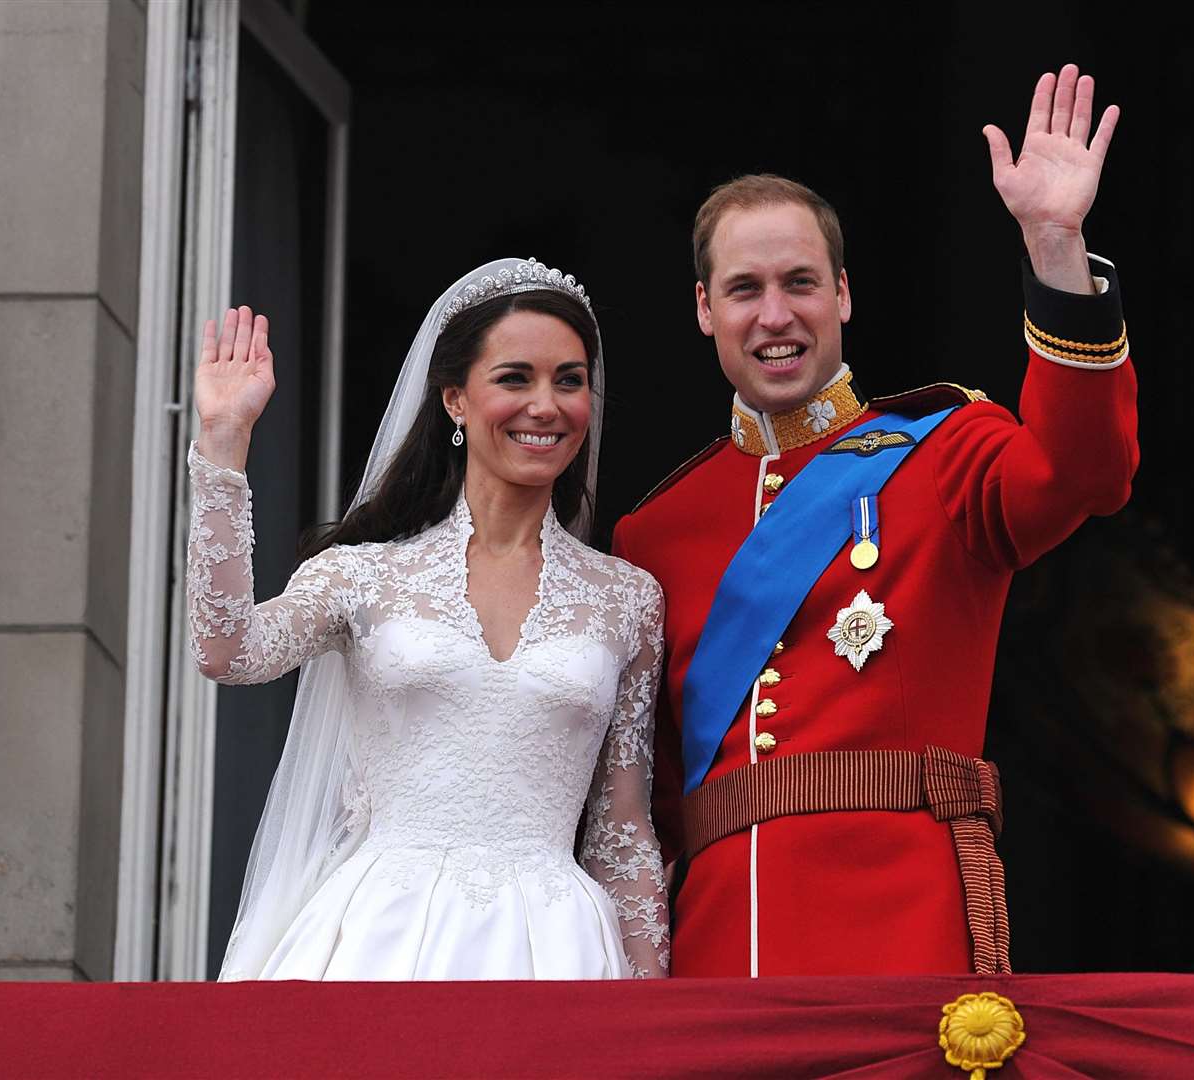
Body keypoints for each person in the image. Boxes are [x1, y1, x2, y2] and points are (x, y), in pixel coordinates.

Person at [612, 65, 1138, 976]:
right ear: (705, 311)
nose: (775, 315)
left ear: (844, 295)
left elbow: (1085, 472)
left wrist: (1055, 246)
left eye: (800, 283)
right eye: (744, 289)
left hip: (898, 928)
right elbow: (646, 798)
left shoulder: (945, 452)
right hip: (717, 945)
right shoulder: (653, 531)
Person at [187, 258, 668, 980]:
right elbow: (228, 650)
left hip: (558, 950)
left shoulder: (628, 599)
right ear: (454, 400)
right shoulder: (364, 572)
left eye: (568, 380)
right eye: (515, 378)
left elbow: (621, 826)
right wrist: (224, 442)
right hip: (381, 938)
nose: (547, 404)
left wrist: (651, 1010)